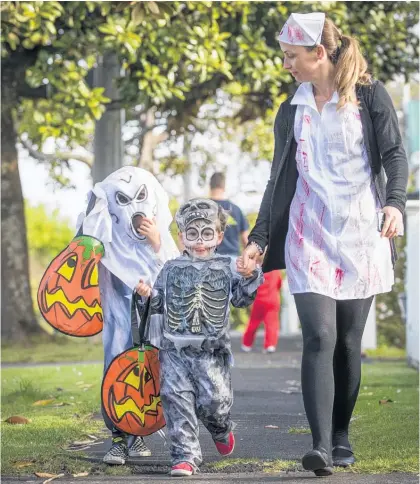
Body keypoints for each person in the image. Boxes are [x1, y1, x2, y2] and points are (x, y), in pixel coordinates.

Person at [241, 12, 408, 477]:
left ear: (319, 53)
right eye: (285, 57)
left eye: (292, 57)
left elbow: (394, 154)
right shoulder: (290, 109)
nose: (287, 64)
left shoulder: (370, 95)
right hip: (307, 233)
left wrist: (394, 204)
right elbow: (278, 179)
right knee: (320, 335)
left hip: (362, 234)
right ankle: (317, 447)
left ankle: (340, 436)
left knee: (348, 344)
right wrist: (260, 237)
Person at [136, 198, 262, 477]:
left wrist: (250, 276)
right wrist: (147, 296)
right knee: (175, 398)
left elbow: (241, 300)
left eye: (207, 234)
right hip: (174, 350)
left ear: (218, 236)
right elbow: (159, 303)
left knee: (214, 402)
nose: (199, 241)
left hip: (212, 352)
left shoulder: (228, 266)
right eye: (192, 234)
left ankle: (220, 428)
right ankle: (184, 456)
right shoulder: (170, 268)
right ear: (181, 237)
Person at [76, 167, 179, 465]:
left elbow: (174, 271)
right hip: (120, 320)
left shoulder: (160, 238)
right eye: (124, 199)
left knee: (151, 371)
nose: (136, 207)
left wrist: (158, 242)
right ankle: (119, 438)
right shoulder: (108, 248)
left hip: (154, 322)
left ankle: (142, 433)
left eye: (142, 197)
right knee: (117, 367)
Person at [242, 269, 282, 353]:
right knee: (272, 324)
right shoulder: (276, 271)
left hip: (259, 299)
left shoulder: (257, 271)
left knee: (253, 322)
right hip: (273, 299)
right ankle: (270, 345)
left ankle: (247, 344)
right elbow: (279, 284)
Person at [209, 172, 249, 255]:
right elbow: (246, 240)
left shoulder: (202, 209)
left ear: (210, 186)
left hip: (208, 260)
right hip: (232, 260)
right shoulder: (236, 210)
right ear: (224, 186)